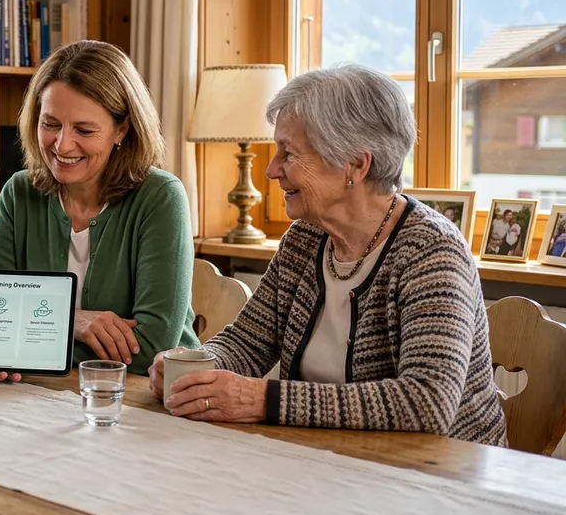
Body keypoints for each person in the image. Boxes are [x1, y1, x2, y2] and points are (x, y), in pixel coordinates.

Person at [150, 64, 506, 445]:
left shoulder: (432, 253)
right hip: (329, 459)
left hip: (440, 477)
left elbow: (426, 403)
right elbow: (247, 342)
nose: (272, 170)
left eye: (288, 154)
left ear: (355, 165)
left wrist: (263, 400)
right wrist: (196, 368)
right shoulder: (305, 237)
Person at [0, 40, 200, 381]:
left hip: (146, 401)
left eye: (84, 129)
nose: (62, 145)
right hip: (38, 395)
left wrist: (24, 337)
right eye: (50, 124)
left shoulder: (161, 198)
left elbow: (150, 349)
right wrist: (72, 321)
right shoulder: (19, 192)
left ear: (121, 129)